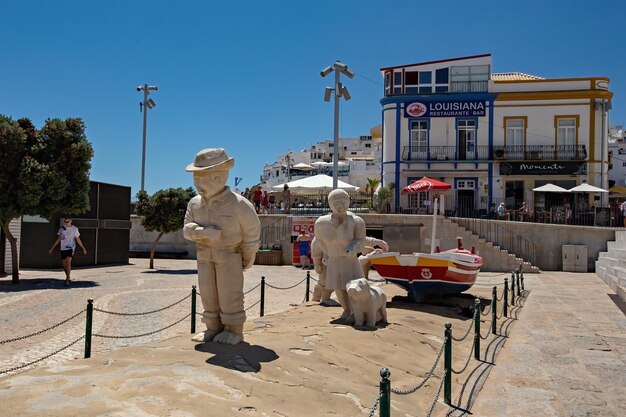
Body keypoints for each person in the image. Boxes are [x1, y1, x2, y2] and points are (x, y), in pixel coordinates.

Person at [183, 148, 261, 345]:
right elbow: (186, 229)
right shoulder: (194, 204)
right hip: (204, 255)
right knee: (208, 292)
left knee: (229, 292)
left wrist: (247, 256)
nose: (198, 184)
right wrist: (201, 233)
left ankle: (234, 329)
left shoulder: (239, 204)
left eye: (203, 179)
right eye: (196, 179)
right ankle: (212, 327)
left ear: (219, 177)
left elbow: (252, 232)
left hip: (229, 254)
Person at [313, 189, 366, 322]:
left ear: (348, 202)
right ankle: (347, 310)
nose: (339, 204)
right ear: (330, 204)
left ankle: (357, 311)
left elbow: (361, 240)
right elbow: (318, 240)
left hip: (350, 261)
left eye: (343, 200)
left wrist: (353, 246)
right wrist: (326, 252)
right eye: (335, 201)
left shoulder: (357, 221)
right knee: (338, 288)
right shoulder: (321, 223)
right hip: (334, 260)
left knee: (353, 287)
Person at [48, 217, 87, 286]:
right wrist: (52, 248)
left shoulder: (75, 229)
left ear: (71, 221)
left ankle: (67, 279)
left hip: (71, 247)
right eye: (65, 221)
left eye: (67, 221)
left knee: (68, 262)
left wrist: (83, 248)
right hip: (63, 248)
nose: (66, 223)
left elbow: (78, 239)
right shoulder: (62, 229)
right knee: (64, 264)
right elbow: (59, 238)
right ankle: (68, 276)